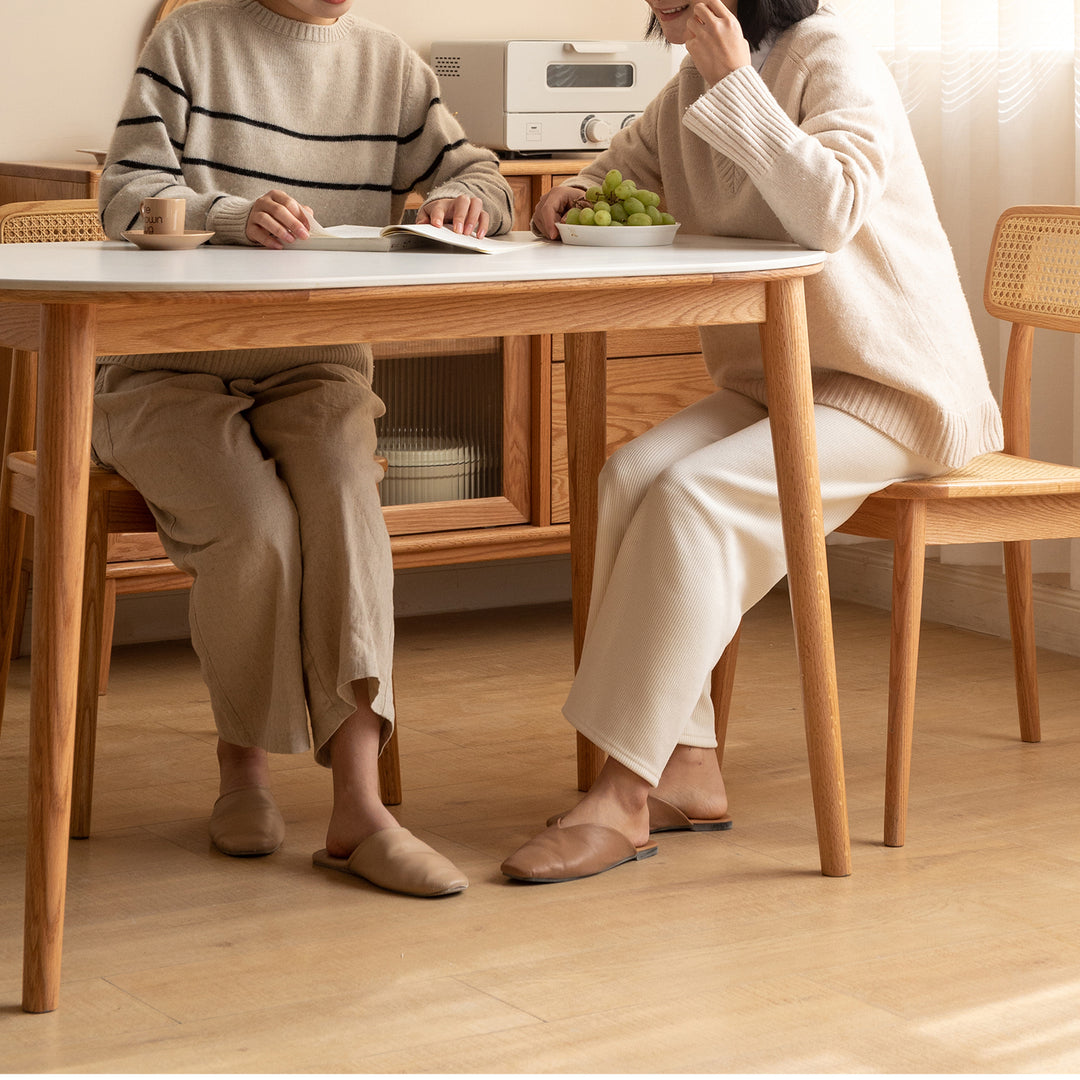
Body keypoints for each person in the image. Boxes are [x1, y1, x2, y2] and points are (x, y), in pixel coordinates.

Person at [501, 0, 1004, 883]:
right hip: (780, 380)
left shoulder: (831, 56)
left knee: (694, 498)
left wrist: (737, 81)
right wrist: (574, 194)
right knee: (628, 477)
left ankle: (622, 796)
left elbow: (831, 211)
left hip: (893, 388)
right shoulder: (686, 87)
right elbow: (624, 170)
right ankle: (689, 767)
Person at [96, 0, 514, 897]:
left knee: (345, 504)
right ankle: (240, 764)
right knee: (255, 528)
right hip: (166, 366)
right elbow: (125, 192)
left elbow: (485, 176)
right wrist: (229, 212)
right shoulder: (189, 41)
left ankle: (360, 809)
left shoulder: (391, 64)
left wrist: (463, 200)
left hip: (319, 362)